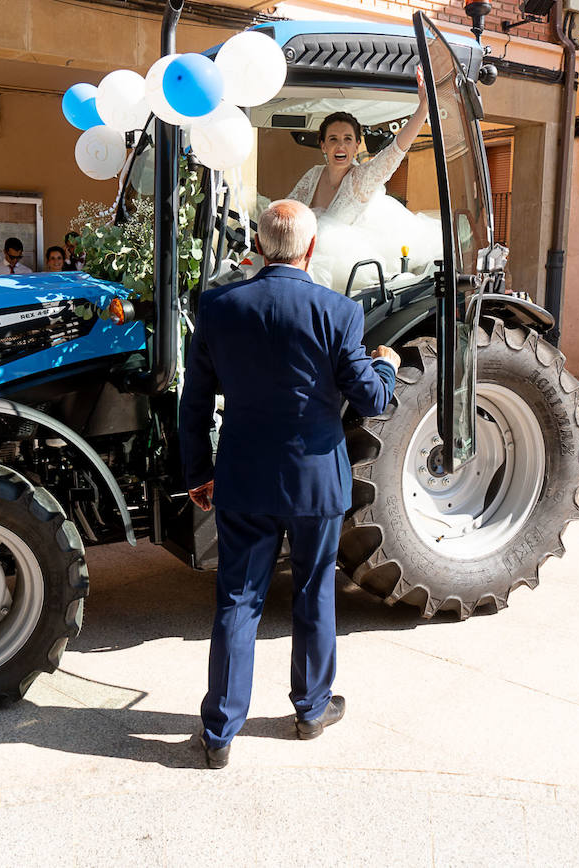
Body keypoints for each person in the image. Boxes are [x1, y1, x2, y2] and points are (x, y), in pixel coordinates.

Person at [178, 199, 401, 769]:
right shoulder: (339, 311)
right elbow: (372, 399)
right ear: (309, 248)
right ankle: (309, 710)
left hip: (243, 476)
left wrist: (198, 472)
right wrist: (388, 365)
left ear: (258, 245)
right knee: (313, 592)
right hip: (314, 483)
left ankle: (220, 732)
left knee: (238, 599)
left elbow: (195, 401)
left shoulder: (219, 306)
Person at [285, 69, 442, 293]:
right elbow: (289, 214)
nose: (341, 146)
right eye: (333, 139)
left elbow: (396, 150)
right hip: (303, 265)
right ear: (323, 145)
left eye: (348, 139)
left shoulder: (361, 179)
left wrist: (423, 108)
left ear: (356, 145)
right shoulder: (313, 175)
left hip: (345, 273)